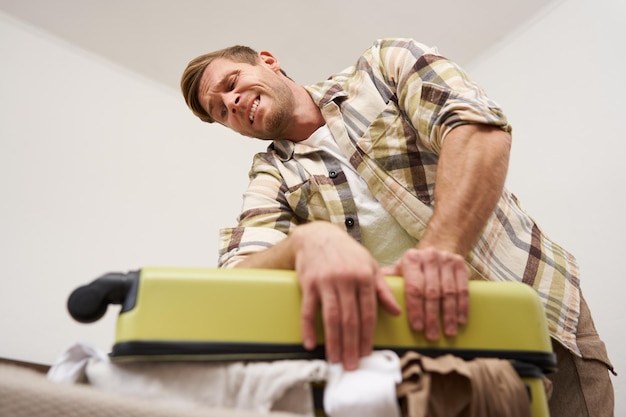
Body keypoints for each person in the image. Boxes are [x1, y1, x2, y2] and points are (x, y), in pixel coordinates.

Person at [180, 38, 615, 416]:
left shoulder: (382, 66)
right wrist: (307, 241)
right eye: (221, 112)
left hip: (540, 317)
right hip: (432, 365)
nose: (232, 103)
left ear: (268, 60)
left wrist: (441, 251)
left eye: (232, 84)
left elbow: (476, 127)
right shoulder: (271, 178)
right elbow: (238, 278)